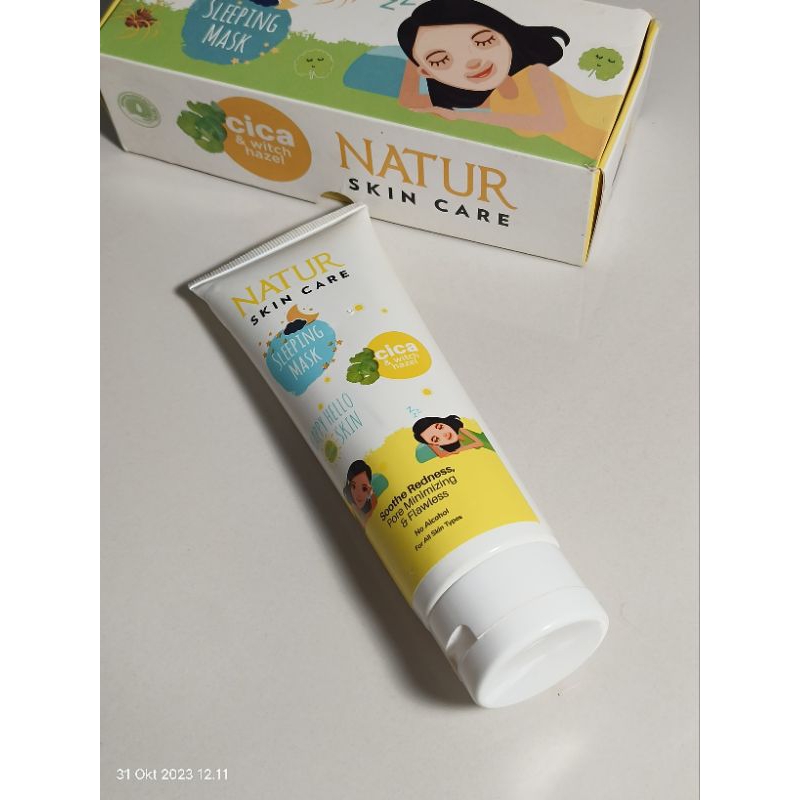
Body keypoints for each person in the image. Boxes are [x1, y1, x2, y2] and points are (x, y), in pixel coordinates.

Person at [397, 0, 621, 160]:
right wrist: (419, 58)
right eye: (441, 60)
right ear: (426, 72)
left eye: (483, 42)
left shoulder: (535, 74)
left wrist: (459, 116)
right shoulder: (488, 96)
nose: (473, 62)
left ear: (505, 34)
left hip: (604, 135)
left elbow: (552, 122)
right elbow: (409, 102)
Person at [412, 414, 490, 459]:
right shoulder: (430, 442)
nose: (444, 434)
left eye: (440, 427)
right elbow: (441, 455)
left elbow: (479, 443)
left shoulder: (461, 431)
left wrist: (457, 450)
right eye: (436, 439)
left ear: (444, 423)